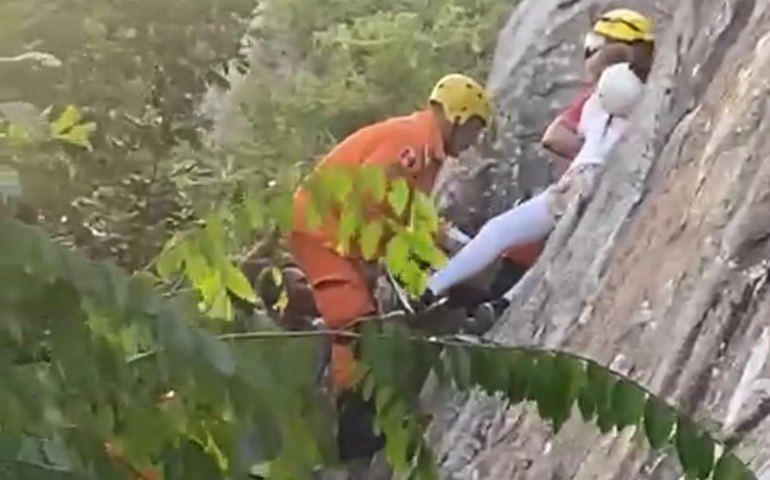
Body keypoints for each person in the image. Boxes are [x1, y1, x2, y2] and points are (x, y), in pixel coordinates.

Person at [289, 73, 494, 464]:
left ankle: (354, 408)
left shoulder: (424, 150)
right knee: (353, 319)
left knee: (361, 315)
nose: (473, 141)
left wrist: (452, 244)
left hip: (338, 229)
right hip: (321, 228)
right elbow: (369, 201)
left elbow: (409, 213)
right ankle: (352, 427)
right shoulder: (410, 143)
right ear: (458, 117)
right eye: (474, 130)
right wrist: (374, 256)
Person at [417, 58, 647, 310]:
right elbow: (556, 137)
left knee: (532, 240)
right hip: (579, 180)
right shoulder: (605, 109)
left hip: (583, 179)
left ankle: (442, 290)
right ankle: (475, 298)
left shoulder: (604, 108)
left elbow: (559, 138)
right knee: (517, 235)